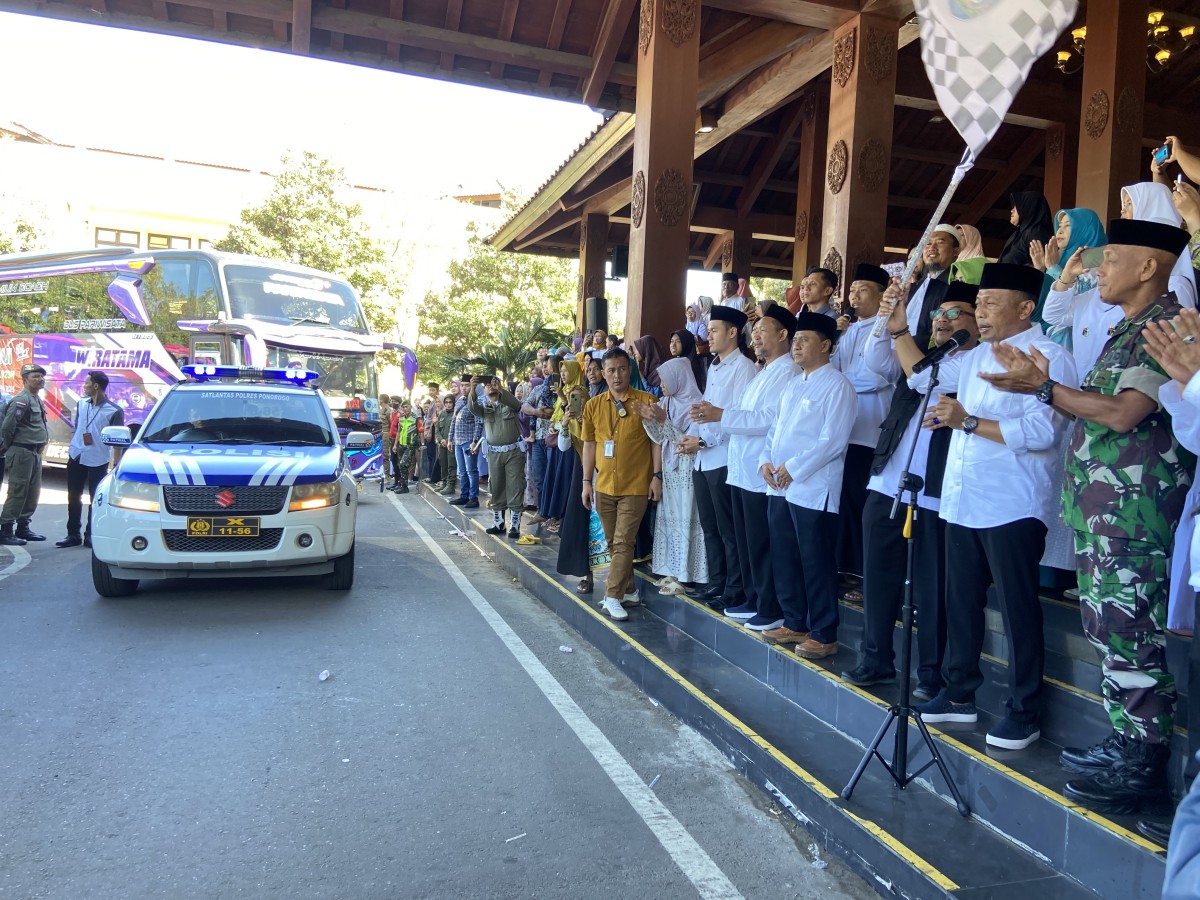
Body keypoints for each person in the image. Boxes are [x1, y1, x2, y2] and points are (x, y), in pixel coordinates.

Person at [984, 219, 1193, 811]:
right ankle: (1126, 743)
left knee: (1132, 637)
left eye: (1111, 258)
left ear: (1149, 267)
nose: (1098, 269)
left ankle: (1142, 763)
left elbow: (1123, 414)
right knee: (1109, 633)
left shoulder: (1165, 325)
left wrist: (1043, 389)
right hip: (1104, 513)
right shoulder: (1127, 327)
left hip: (1135, 515)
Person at [915, 263, 1077, 752]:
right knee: (959, 601)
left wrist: (966, 422)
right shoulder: (973, 356)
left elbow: (1045, 432)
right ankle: (959, 693)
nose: (979, 312)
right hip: (964, 499)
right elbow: (914, 376)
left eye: (990, 303)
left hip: (1013, 502)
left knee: (1017, 608)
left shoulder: (1049, 356)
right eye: (978, 303)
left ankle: (1023, 711)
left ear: (1026, 308)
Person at [842, 281, 981, 694]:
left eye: (956, 313)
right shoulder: (917, 354)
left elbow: (922, 378)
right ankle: (875, 659)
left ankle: (931, 673)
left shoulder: (975, 366)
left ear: (978, 322)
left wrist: (902, 333)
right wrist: (888, 318)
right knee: (878, 578)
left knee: (931, 586)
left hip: (937, 493)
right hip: (888, 485)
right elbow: (873, 358)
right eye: (940, 313)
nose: (943, 320)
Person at [758, 312, 857, 659]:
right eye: (795, 339)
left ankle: (824, 632)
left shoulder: (838, 386)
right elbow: (775, 429)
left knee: (815, 561)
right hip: (780, 485)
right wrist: (766, 462)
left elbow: (833, 440)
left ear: (826, 345)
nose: (796, 346)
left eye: (804, 340)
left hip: (813, 488)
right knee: (785, 557)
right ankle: (795, 620)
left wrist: (794, 469)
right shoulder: (793, 383)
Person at [694, 305, 798, 631]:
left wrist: (720, 416)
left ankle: (769, 604)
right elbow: (739, 412)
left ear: (783, 335)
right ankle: (753, 599)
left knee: (761, 542)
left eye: (762, 330)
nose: (756, 335)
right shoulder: (764, 371)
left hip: (759, 470)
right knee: (744, 539)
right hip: (740, 469)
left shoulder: (787, 372)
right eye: (755, 330)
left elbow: (767, 420)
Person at [679, 305, 757, 612]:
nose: (708, 335)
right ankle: (717, 580)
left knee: (728, 529)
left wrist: (705, 439)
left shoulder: (744, 368)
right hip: (703, 457)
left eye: (714, 330)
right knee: (710, 526)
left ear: (733, 333)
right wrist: (692, 436)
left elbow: (736, 417)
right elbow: (705, 409)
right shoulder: (714, 366)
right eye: (708, 330)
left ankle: (734, 588)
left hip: (723, 456)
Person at [580, 348, 663, 621]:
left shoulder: (646, 401)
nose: (617, 375)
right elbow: (590, 445)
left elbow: (657, 441)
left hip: (636, 484)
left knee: (624, 541)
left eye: (622, 369)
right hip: (603, 483)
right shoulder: (593, 405)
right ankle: (628, 590)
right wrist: (586, 482)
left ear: (630, 370)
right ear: (603, 374)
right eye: (611, 370)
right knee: (614, 543)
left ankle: (611, 596)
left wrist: (657, 476)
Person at [831, 263, 897, 591]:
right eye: (852, 290)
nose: (854, 296)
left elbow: (879, 377)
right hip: (845, 428)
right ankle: (844, 569)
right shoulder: (848, 330)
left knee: (862, 503)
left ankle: (862, 573)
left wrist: (843, 382)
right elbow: (831, 369)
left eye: (862, 290)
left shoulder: (889, 328)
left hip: (871, 428)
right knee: (842, 502)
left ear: (882, 295)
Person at [634, 358, 707, 594]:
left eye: (665, 379)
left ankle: (687, 577)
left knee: (686, 521)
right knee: (671, 520)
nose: (661, 384)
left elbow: (684, 441)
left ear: (678, 378)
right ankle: (674, 571)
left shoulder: (696, 405)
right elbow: (660, 438)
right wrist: (649, 419)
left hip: (687, 470)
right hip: (670, 469)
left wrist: (661, 419)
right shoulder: (666, 402)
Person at [57, 371, 124, 549]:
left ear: (96, 386)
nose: (83, 386)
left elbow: (118, 441)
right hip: (77, 454)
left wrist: (116, 466)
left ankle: (90, 535)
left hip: (98, 458)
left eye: (86, 383)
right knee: (73, 496)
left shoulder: (114, 410)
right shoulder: (81, 403)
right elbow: (78, 427)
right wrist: (73, 445)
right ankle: (73, 534)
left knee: (95, 499)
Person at [468, 375, 525, 538]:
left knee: (515, 486)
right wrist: (472, 389)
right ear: (483, 389)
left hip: (513, 452)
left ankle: (514, 525)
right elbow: (473, 408)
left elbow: (517, 405)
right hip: (494, 453)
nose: (490, 387)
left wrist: (500, 389)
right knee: (497, 486)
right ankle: (499, 523)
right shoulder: (484, 407)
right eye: (487, 385)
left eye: (493, 384)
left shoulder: (509, 403)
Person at [0, 364, 50, 546]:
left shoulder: (36, 399)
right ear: (25, 380)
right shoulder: (21, 400)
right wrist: (9, 444)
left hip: (35, 453)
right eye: (35, 376)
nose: (40, 379)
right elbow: (7, 427)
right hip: (22, 452)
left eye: (41, 377)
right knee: (18, 491)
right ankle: (5, 530)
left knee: (32, 493)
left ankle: (23, 527)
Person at [449, 384, 483, 509]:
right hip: (457, 441)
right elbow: (453, 421)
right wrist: (450, 439)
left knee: (472, 471)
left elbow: (478, 423)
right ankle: (464, 496)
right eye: (462, 385)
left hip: (469, 441)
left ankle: (473, 498)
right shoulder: (459, 401)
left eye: (467, 386)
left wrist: (475, 441)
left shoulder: (475, 402)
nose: (463, 388)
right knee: (462, 472)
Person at [997, 191, 1054, 267]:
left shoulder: (1036, 234)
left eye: (1017, 206)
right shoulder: (1022, 233)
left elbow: (1042, 268)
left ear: (1028, 207)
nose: (1012, 210)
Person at [391, 401, 419, 494]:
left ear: (411, 407)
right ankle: (402, 485)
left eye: (406, 407)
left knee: (404, 464)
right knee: (400, 465)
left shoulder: (416, 418)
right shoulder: (401, 418)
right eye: (403, 407)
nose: (405, 409)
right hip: (401, 444)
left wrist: (422, 444)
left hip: (410, 445)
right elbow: (399, 432)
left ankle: (404, 487)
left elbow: (421, 431)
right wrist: (395, 444)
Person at [434, 393, 457, 496]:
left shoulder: (456, 414)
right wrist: (441, 440)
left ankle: (450, 485)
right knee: (443, 463)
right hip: (442, 444)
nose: (448, 404)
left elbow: (456, 430)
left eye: (450, 402)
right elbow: (437, 429)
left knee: (451, 464)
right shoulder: (442, 414)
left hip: (451, 443)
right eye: (446, 402)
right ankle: (444, 482)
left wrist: (448, 440)